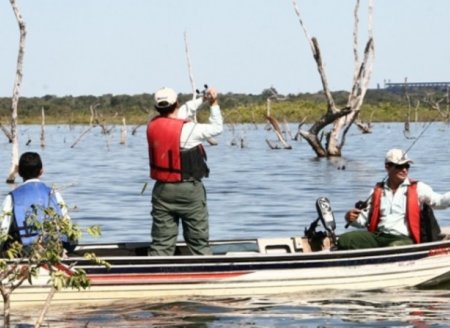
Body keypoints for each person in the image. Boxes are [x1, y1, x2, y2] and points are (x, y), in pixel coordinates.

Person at [146, 86, 223, 256]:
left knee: (161, 243)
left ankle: (156, 273)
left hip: (162, 191)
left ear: (157, 107)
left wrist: (203, 98)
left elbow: (185, 110)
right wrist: (213, 103)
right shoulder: (189, 129)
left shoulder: (152, 125)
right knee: (198, 242)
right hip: (189, 191)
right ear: (176, 104)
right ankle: (206, 271)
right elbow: (217, 127)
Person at [337, 148, 450, 250]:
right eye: (400, 166)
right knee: (344, 239)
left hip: (403, 239)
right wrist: (350, 218)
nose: (404, 170)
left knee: (394, 247)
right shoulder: (377, 190)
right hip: (379, 236)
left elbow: (439, 201)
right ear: (387, 167)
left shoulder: (418, 188)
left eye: (407, 166)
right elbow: (363, 221)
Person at [0, 152, 72, 252]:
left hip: (23, 251)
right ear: (42, 171)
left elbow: (3, 229)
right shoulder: (54, 193)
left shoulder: (12, 197)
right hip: (54, 248)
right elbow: (67, 224)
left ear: (19, 172)